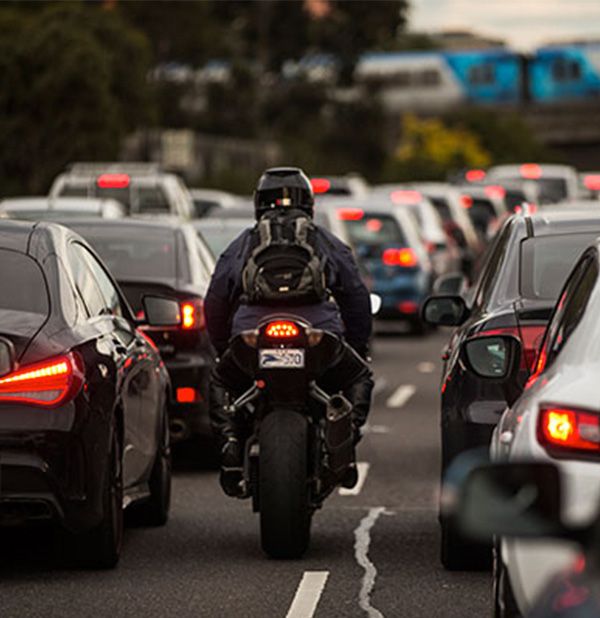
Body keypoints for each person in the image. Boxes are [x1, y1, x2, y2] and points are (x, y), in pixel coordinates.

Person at [204, 167, 374, 496]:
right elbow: (355, 296)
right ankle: (345, 443)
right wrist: (355, 345)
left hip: (253, 334)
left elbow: (216, 300)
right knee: (359, 376)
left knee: (220, 379)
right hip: (317, 335)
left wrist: (225, 348)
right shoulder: (323, 239)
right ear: (308, 204)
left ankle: (229, 444)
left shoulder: (244, 242)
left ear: (258, 203)